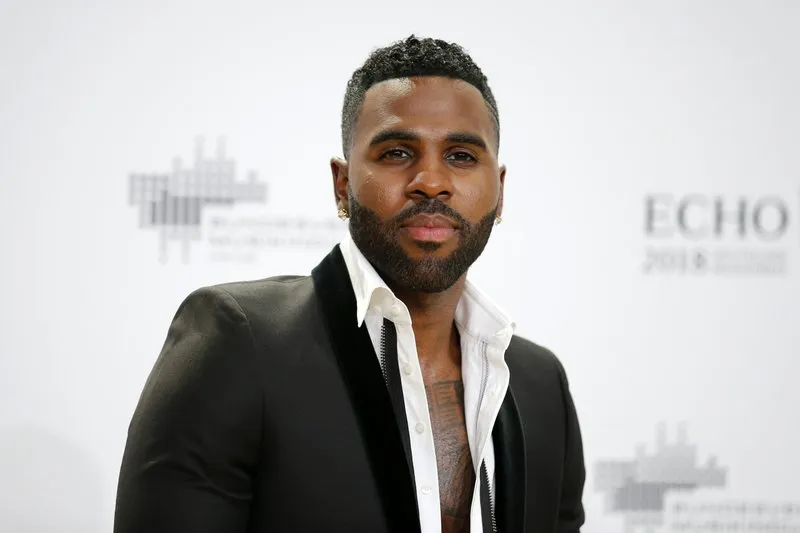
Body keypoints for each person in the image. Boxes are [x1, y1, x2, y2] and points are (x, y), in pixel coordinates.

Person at [113, 35, 585, 533]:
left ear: (500, 190)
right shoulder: (239, 343)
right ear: (342, 185)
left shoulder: (539, 385)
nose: (430, 181)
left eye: (462, 156)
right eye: (397, 152)